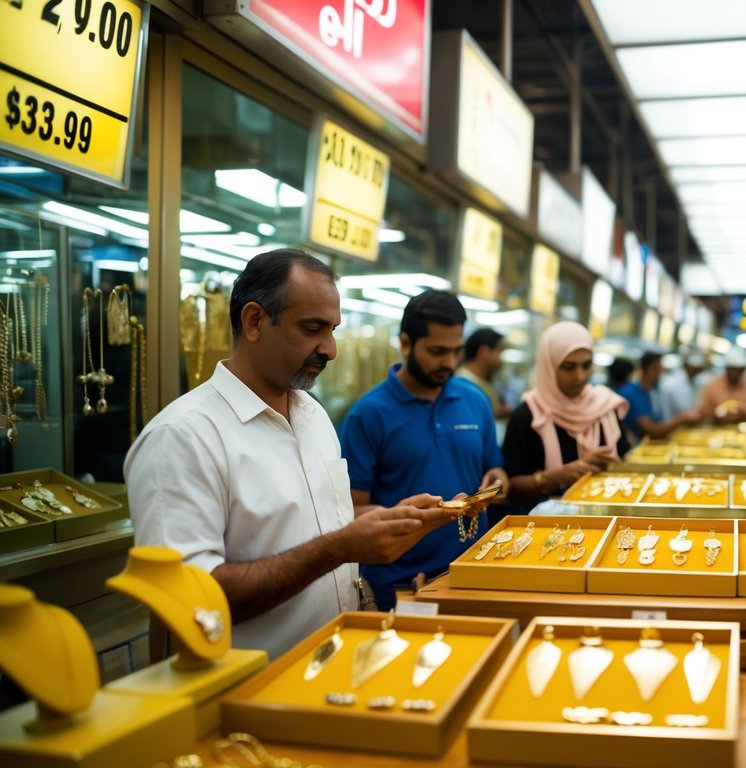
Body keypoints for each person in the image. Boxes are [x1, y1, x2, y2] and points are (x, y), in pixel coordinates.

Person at [125, 249, 446, 658]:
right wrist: (341, 547)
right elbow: (191, 601)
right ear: (255, 321)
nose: (329, 349)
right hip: (249, 696)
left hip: (331, 668)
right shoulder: (183, 437)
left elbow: (313, 525)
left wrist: (392, 521)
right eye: (312, 328)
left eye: (332, 329)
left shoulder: (313, 416)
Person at [340, 291, 509, 609]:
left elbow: (496, 470)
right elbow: (351, 512)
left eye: (456, 351)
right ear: (405, 343)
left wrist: (496, 485)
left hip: (474, 576)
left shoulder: (474, 401)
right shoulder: (368, 414)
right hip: (401, 587)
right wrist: (416, 516)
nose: (448, 362)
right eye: (436, 351)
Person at [503, 321, 630, 509]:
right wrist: (553, 477)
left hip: (606, 518)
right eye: (568, 367)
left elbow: (625, 464)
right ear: (549, 366)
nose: (579, 376)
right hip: (548, 528)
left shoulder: (606, 407)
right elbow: (512, 489)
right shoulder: (528, 415)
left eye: (586, 365)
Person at [616, 351, 701, 441]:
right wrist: (682, 419)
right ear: (642, 370)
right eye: (655, 369)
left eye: (661, 369)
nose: (659, 374)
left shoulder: (652, 392)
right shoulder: (631, 393)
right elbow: (652, 431)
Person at [697, 347, 746, 422]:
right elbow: (702, 413)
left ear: (744, 369)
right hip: (718, 430)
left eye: (739, 370)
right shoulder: (712, 384)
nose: (735, 373)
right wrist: (718, 414)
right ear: (726, 368)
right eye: (732, 369)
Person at [457, 328, 513, 420]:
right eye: (500, 351)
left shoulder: (481, 382)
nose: (501, 359)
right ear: (484, 352)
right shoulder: (462, 383)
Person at [659, 351, 707, 421]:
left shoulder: (696, 381)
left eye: (698, 369)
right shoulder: (672, 383)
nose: (696, 371)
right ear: (687, 365)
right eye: (695, 368)